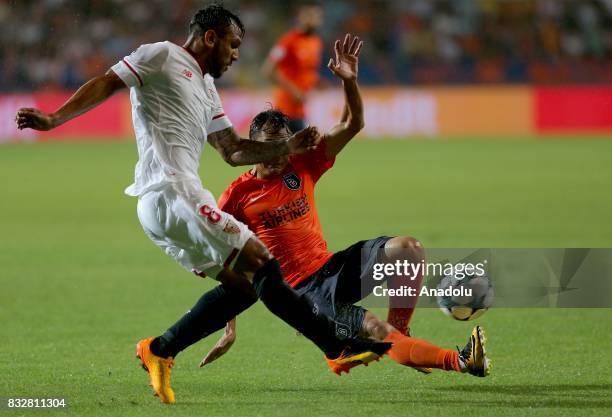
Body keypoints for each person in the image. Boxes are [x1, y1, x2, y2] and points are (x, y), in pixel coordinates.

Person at [14, 5, 390, 405]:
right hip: (172, 192)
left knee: (246, 288)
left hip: (168, 206)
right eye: (233, 44)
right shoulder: (159, 54)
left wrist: (285, 146)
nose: (237, 54)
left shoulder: (208, 88)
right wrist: (55, 119)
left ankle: (160, 348)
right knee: (263, 263)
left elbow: (231, 150)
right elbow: (107, 82)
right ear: (211, 37)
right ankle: (336, 347)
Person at [202, 33, 491, 378]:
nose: (280, 156)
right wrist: (228, 326)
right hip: (304, 293)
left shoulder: (301, 165)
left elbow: (353, 124)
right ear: (254, 148)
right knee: (377, 332)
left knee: (408, 249)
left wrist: (349, 83)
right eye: (271, 149)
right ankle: (459, 361)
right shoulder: (237, 196)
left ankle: (402, 331)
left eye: (285, 147)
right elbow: (227, 263)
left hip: (335, 267)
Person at [262, 1, 323, 133]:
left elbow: (307, 71)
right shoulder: (288, 41)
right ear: (300, 17)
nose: (313, 19)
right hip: (285, 108)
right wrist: (294, 91)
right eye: (309, 15)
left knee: (300, 150)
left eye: (316, 16)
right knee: (304, 149)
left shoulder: (315, 42)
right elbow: (268, 70)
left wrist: (318, 83)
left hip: (300, 109)